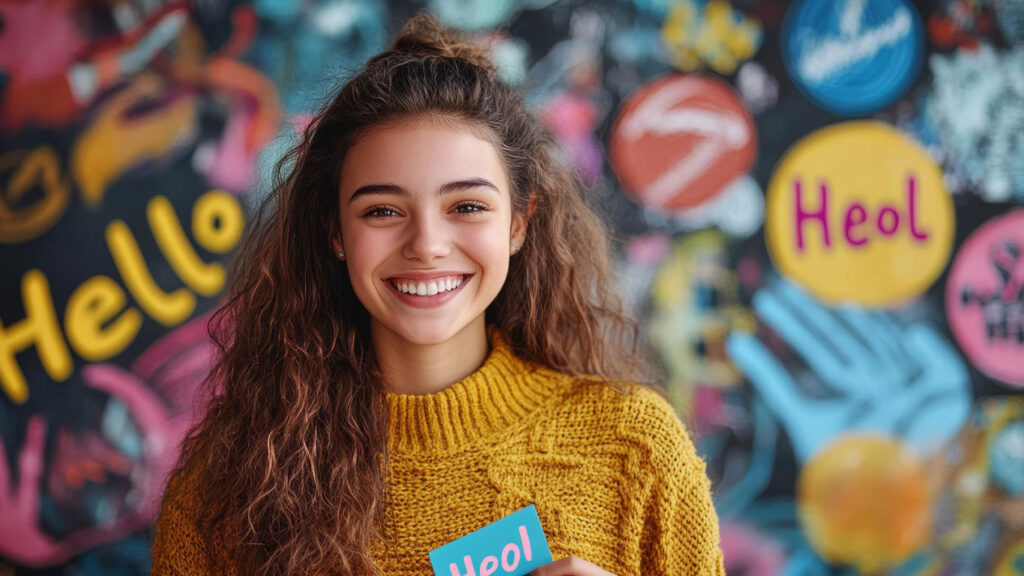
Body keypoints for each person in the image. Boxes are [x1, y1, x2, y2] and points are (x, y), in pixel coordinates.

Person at [150, 12, 725, 576]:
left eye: (467, 206)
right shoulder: (228, 483)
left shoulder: (635, 447)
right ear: (335, 232)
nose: (426, 244)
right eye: (382, 210)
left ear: (520, 223)